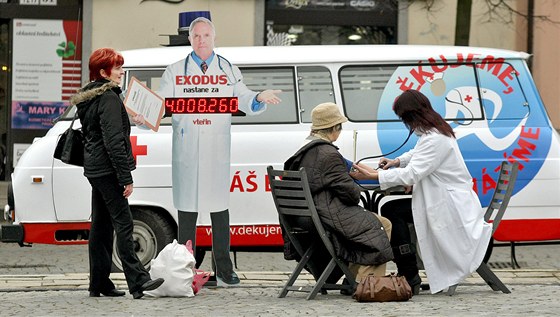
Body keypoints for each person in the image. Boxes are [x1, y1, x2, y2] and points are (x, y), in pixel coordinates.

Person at [157, 16, 281, 286]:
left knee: (219, 211)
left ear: (214, 38)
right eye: (196, 36)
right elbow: (160, 102)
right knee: (187, 212)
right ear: (190, 40)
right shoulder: (175, 70)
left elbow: (243, 96)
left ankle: (224, 271)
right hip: (187, 148)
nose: (201, 40)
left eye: (206, 36)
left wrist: (258, 97)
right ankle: (183, 270)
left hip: (215, 148)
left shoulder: (227, 69)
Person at [350, 89, 493, 294]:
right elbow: (418, 154)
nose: (405, 124)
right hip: (445, 199)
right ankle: (409, 273)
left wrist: (374, 176)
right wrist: (396, 161)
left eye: (404, 119)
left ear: (412, 115)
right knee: (392, 209)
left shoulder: (435, 138)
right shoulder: (436, 131)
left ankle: (409, 275)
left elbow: (412, 174)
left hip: (450, 206)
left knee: (393, 210)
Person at [70, 48, 164, 299]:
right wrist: (125, 177)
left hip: (94, 168)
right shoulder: (109, 98)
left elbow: (99, 134)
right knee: (124, 223)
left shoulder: (90, 97)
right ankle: (138, 281)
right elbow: (113, 141)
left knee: (101, 226)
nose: (121, 71)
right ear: (103, 72)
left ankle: (98, 283)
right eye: (117, 67)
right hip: (108, 169)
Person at [284, 102, 393, 286]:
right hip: (328, 217)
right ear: (334, 128)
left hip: (306, 218)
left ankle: (351, 281)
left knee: (367, 224)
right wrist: (352, 182)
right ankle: (367, 283)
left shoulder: (302, 152)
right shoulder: (328, 154)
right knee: (383, 224)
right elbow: (352, 196)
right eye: (339, 127)